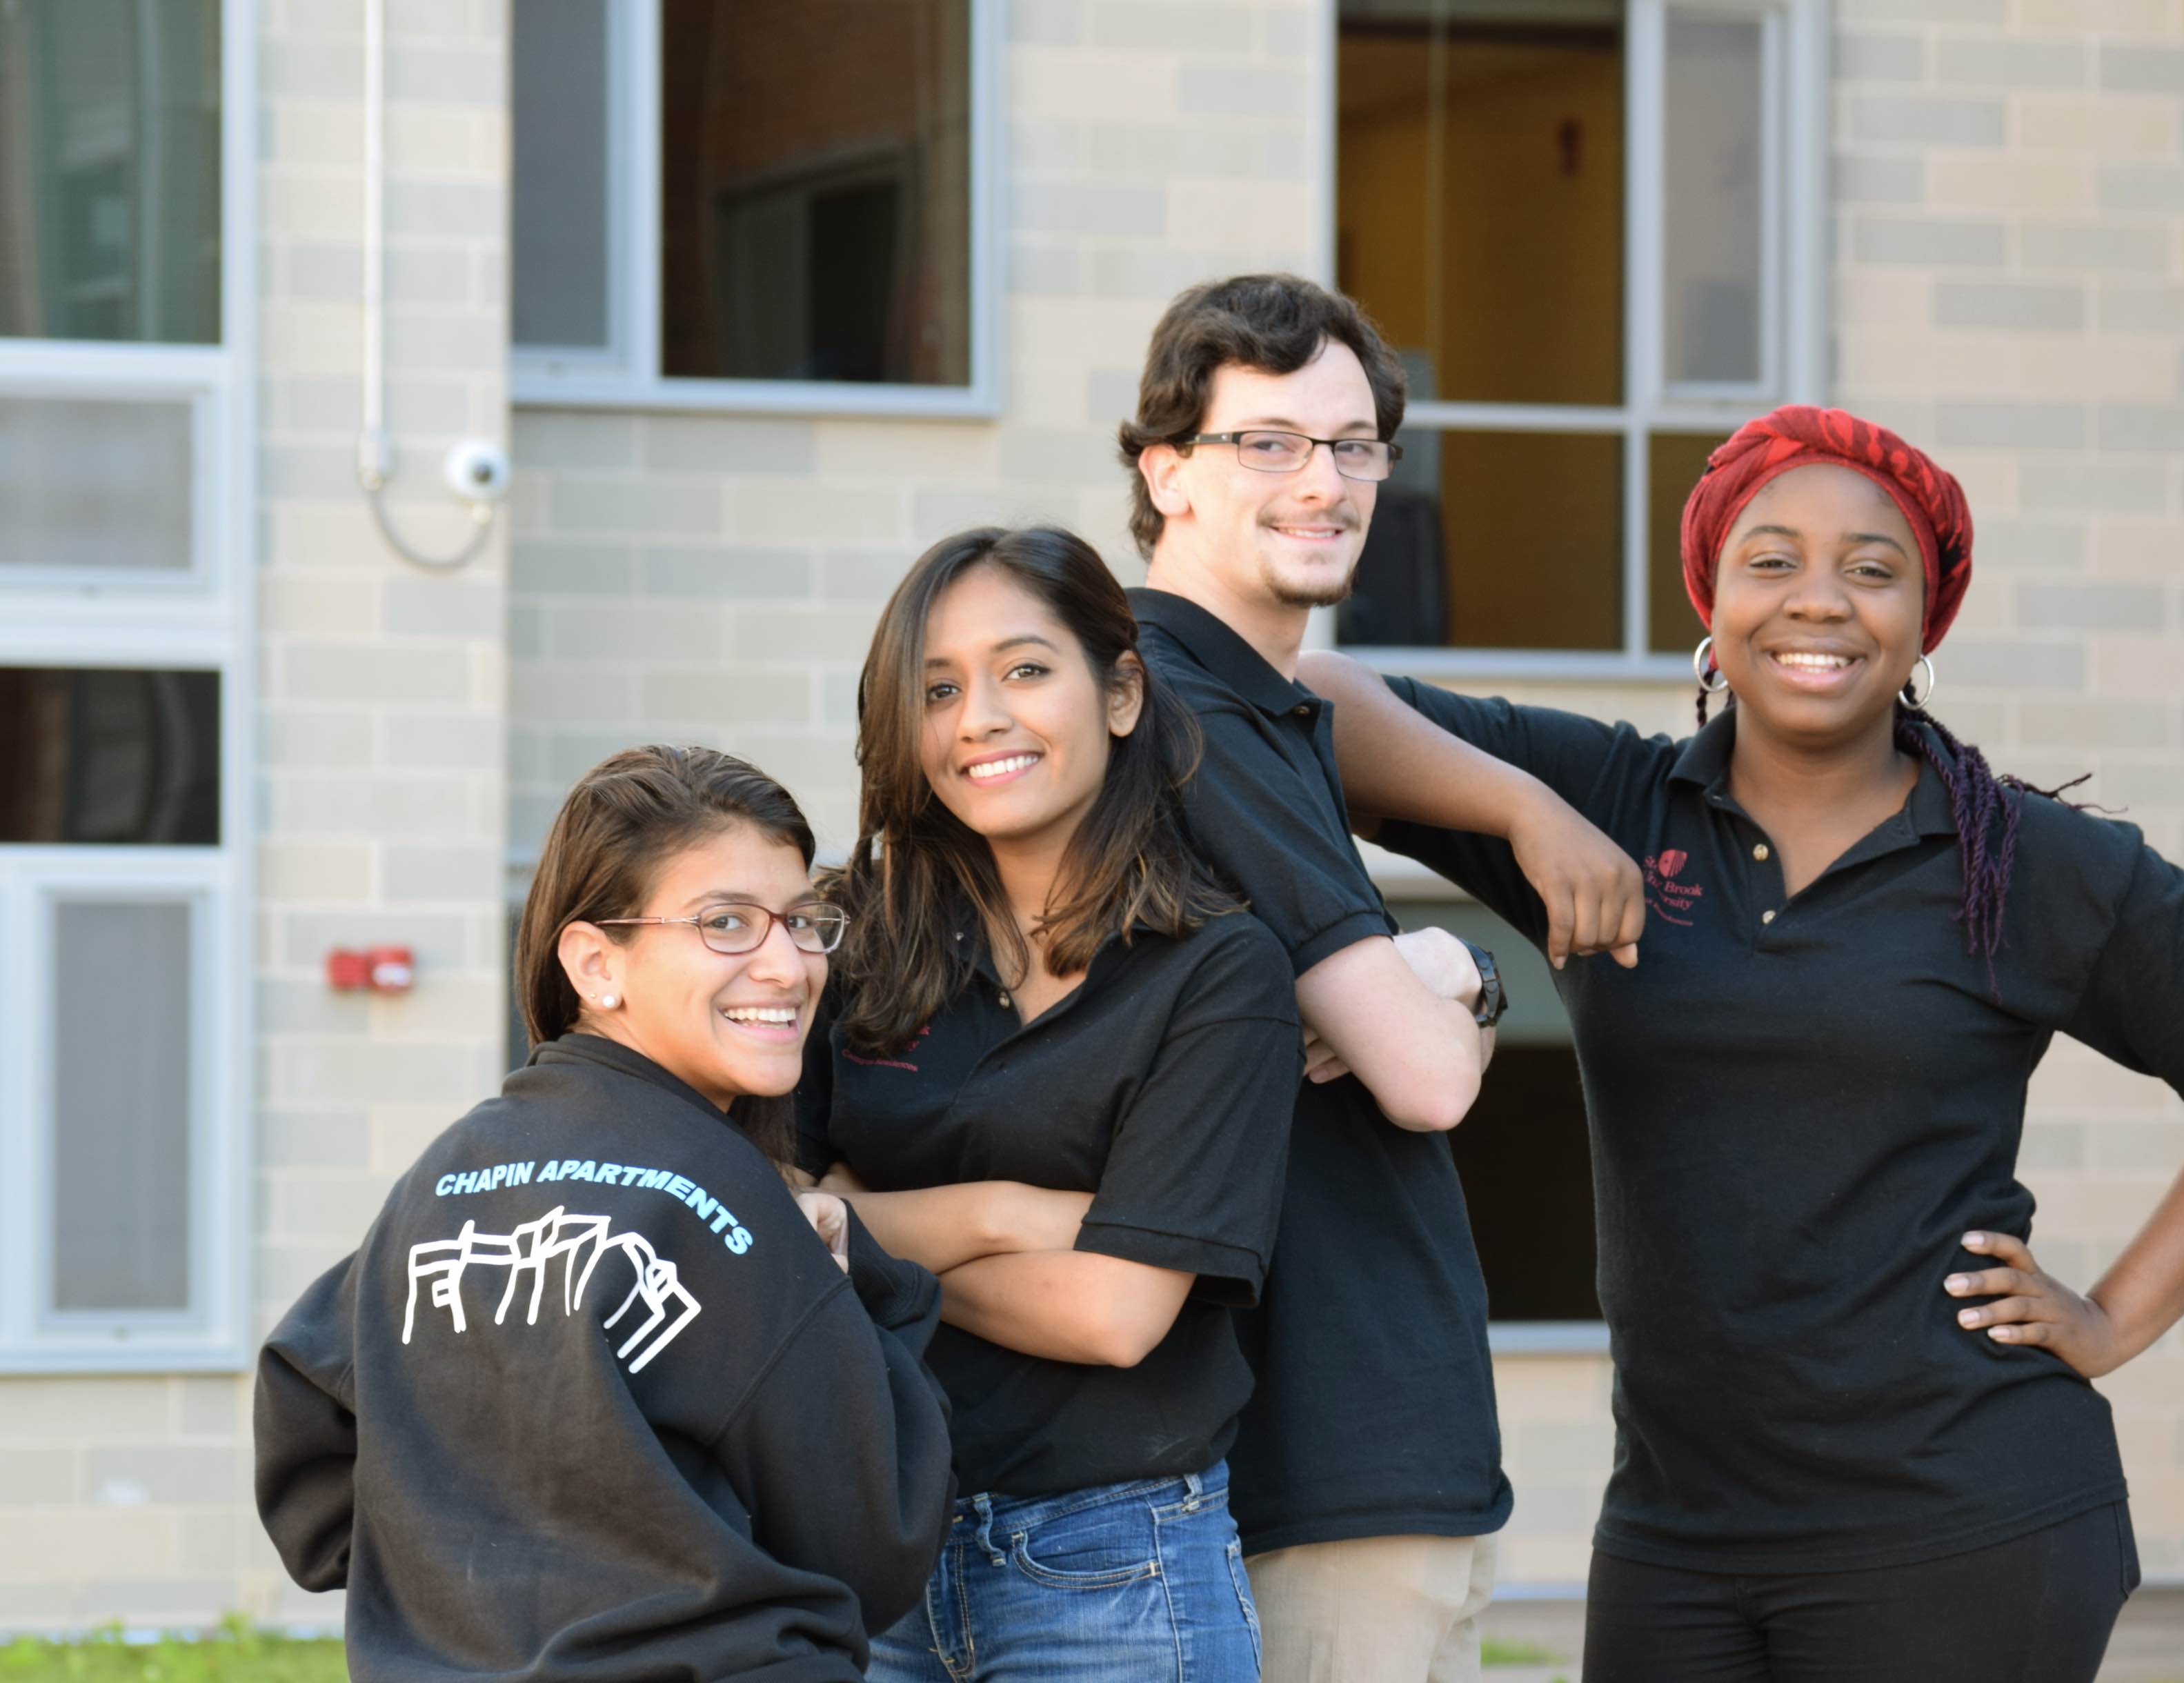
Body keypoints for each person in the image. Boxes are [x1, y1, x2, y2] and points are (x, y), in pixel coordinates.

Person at [1295, 404, 2184, 1682]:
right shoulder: (1616, 802)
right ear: (1711, 599)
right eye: (1773, 559)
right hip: (1676, 1533)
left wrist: (2115, 1317)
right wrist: (1528, 813)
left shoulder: (2021, 862)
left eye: (1873, 569)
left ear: (1923, 621)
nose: (1822, 601)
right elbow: (1309, 697)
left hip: (1964, 1523)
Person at [1117, 273, 1585, 1683]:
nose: (1324, 481)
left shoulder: (1273, 710)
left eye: (1354, 445)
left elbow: (1410, 1022)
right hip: (1306, 1461)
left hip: (1403, 1457)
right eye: (1267, 443)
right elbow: (1427, 1074)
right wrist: (1434, 973)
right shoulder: (1169, 704)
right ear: (1165, 472)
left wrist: (1447, 956)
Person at [253, 745, 957, 1683]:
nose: (789, 966)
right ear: (595, 963)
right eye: (727, 923)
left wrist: (462, 1593)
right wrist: (865, 1293)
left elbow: (305, 1438)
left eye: (800, 921)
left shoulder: (450, 1173)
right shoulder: (725, 1203)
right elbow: (879, 1537)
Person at [794, 525, 1303, 1682]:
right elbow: (765, 1204)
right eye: (938, 688)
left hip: (1118, 1567)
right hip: (872, 1553)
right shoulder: (850, 941)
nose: (979, 717)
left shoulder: (1218, 970)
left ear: (1120, 692)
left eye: (1025, 669)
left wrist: (858, 1224)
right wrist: (1007, 1213)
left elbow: (1113, 1316)